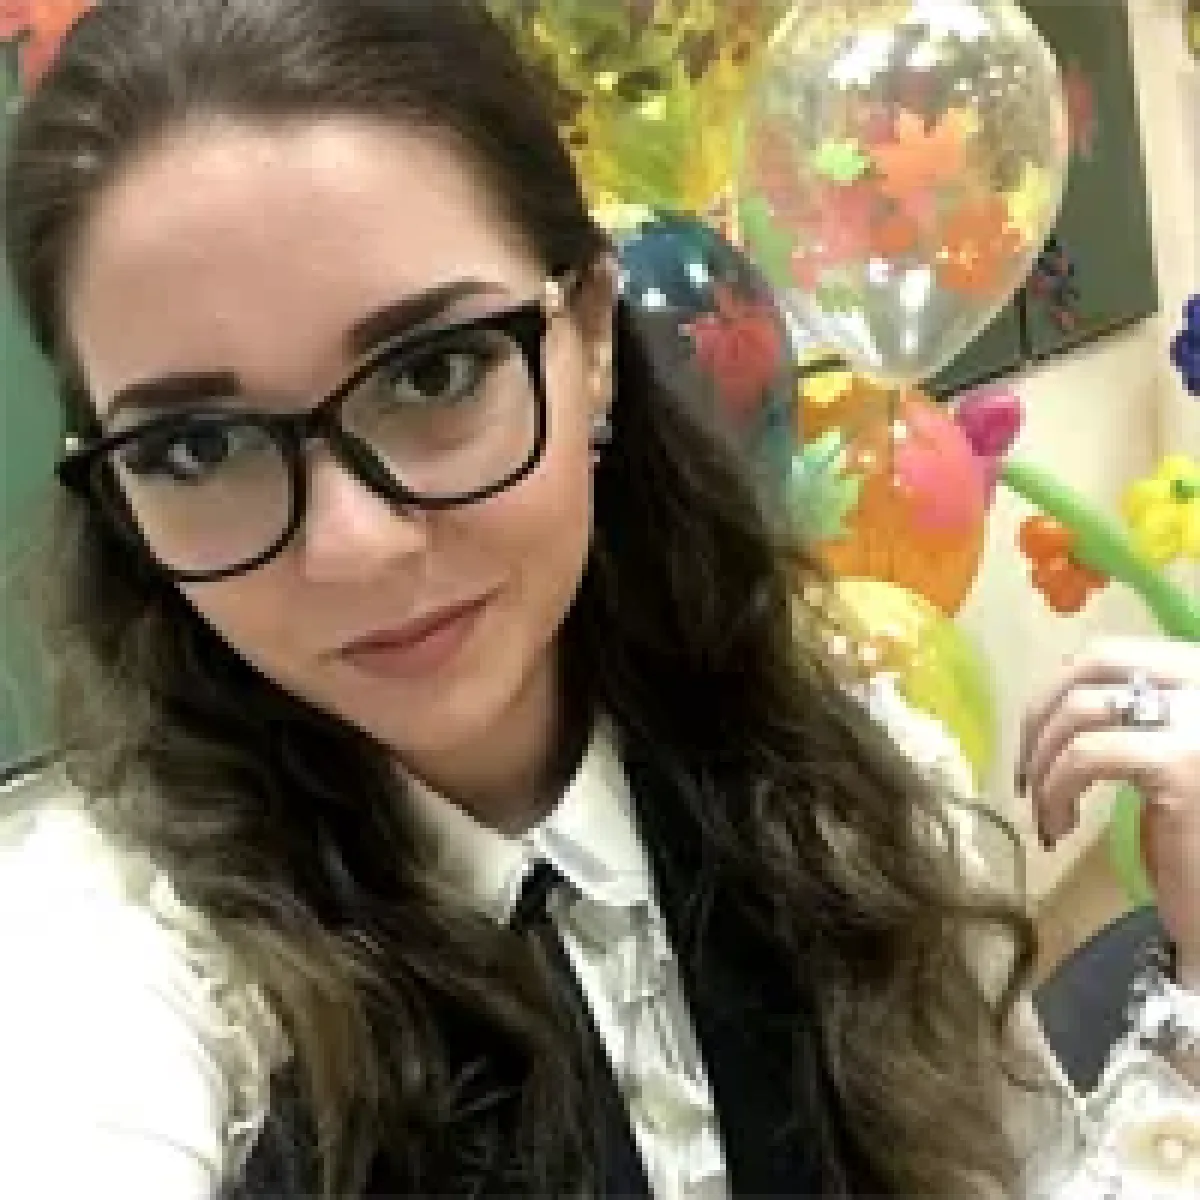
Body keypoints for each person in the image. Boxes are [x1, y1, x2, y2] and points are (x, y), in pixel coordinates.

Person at [1, 1, 1198, 1197]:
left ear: (588, 339)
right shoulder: (114, 956)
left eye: (433, 372)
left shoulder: (846, 782)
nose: (352, 546)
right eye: (199, 447)